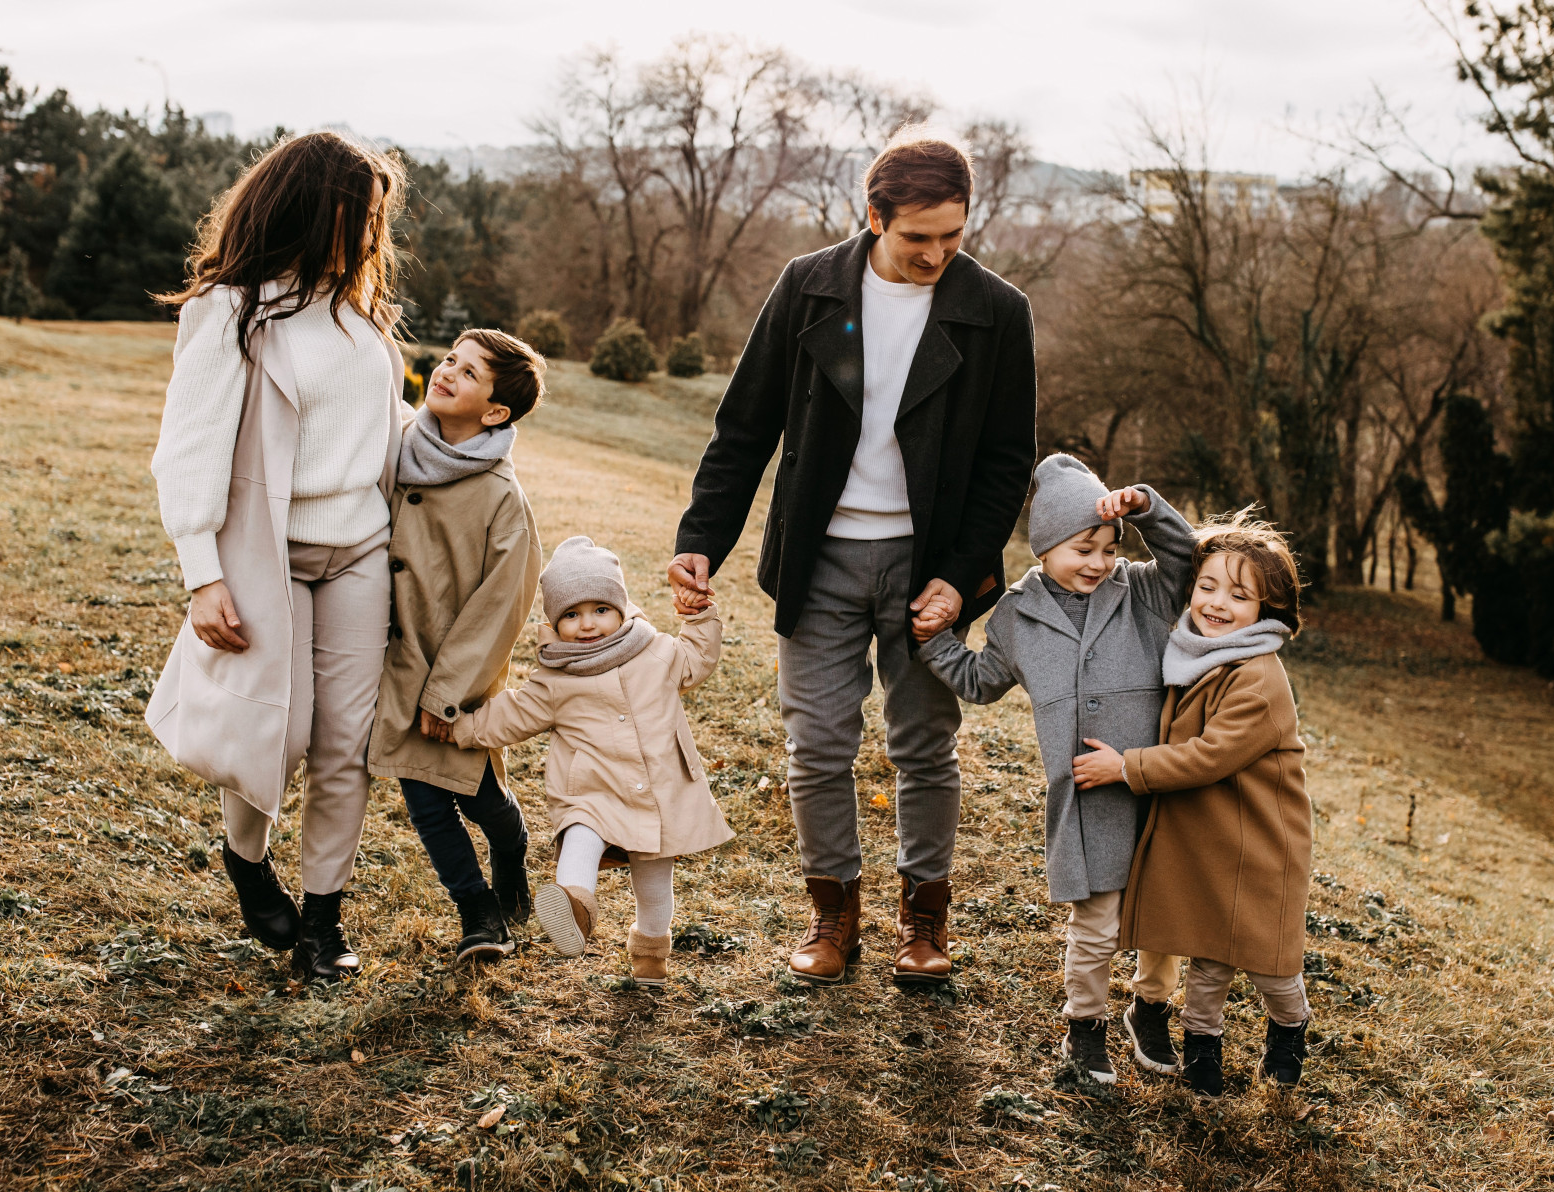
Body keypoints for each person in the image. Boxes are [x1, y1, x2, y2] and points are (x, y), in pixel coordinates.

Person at [669, 124, 1036, 987]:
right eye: (918, 238)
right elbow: (745, 427)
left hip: (929, 569)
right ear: (873, 217)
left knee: (924, 747)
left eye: (954, 235)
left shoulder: (997, 312)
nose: (937, 254)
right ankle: (833, 916)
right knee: (818, 747)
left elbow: (1005, 462)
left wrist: (959, 574)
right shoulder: (808, 289)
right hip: (819, 560)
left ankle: (923, 921)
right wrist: (700, 540)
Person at [146, 131, 413, 982]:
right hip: (271, 552)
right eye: (360, 214)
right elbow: (186, 448)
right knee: (282, 731)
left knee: (347, 742)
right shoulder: (231, 310)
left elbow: (377, 430)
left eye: (378, 218)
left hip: (361, 549)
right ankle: (245, 858)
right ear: (311, 205)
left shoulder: (360, 312)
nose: (372, 233)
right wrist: (202, 573)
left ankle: (324, 921)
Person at [920, 454, 1197, 1084]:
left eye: (1107, 546)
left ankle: (1149, 1011)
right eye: (1082, 548)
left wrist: (1146, 507)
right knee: (1096, 924)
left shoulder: (1142, 590)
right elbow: (980, 680)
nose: (1098, 562)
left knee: (1162, 921)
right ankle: (1086, 1026)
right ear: (1045, 546)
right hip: (1089, 799)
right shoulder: (1017, 617)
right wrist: (933, 642)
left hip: (1157, 788)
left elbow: (1185, 558)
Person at [1081, 514, 1313, 1096]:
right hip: (1208, 835)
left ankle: (1290, 1025)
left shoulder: (1257, 678)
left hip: (1260, 842)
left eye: (1239, 595)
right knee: (1209, 954)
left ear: (1268, 608)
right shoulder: (1191, 651)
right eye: (1207, 585)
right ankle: (1201, 1048)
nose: (1216, 603)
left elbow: (1208, 756)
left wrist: (1126, 766)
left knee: (1268, 961)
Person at [450, 537, 732, 989]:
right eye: (571, 615)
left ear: (621, 607)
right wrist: (460, 727)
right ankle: (575, 909)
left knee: (655, 882)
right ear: (554, 622)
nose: (587, 625)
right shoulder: (556, 678)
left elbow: (697, 659)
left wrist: (698, 615)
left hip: (659, 791)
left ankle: (650, 955)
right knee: (580, 837)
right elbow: (512, 714)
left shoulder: (655, 651)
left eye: (600, 609)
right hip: (592, 791)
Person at [366, 329, 547, 962]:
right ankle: (479, 914)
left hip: (452, 682)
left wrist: (447, 696)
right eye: (449, 359)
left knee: (478, 799)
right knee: (421, 793)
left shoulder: (502, 499)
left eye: (468, 373)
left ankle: (513, 844)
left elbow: (500, 611)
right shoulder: (394, 449)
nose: (446, 372)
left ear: (495, 412)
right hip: (392, 663)